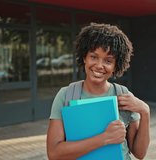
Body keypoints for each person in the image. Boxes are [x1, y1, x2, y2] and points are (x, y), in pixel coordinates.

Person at [47, 23, 150, 160]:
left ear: (115, 66)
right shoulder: (66, 95)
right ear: (84, 57)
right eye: (93, 57)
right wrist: (105, 138)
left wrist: (145, 111)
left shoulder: (122, 95)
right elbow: (54, 154)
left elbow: (140, 153)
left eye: (108, 61)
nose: (99, 66)